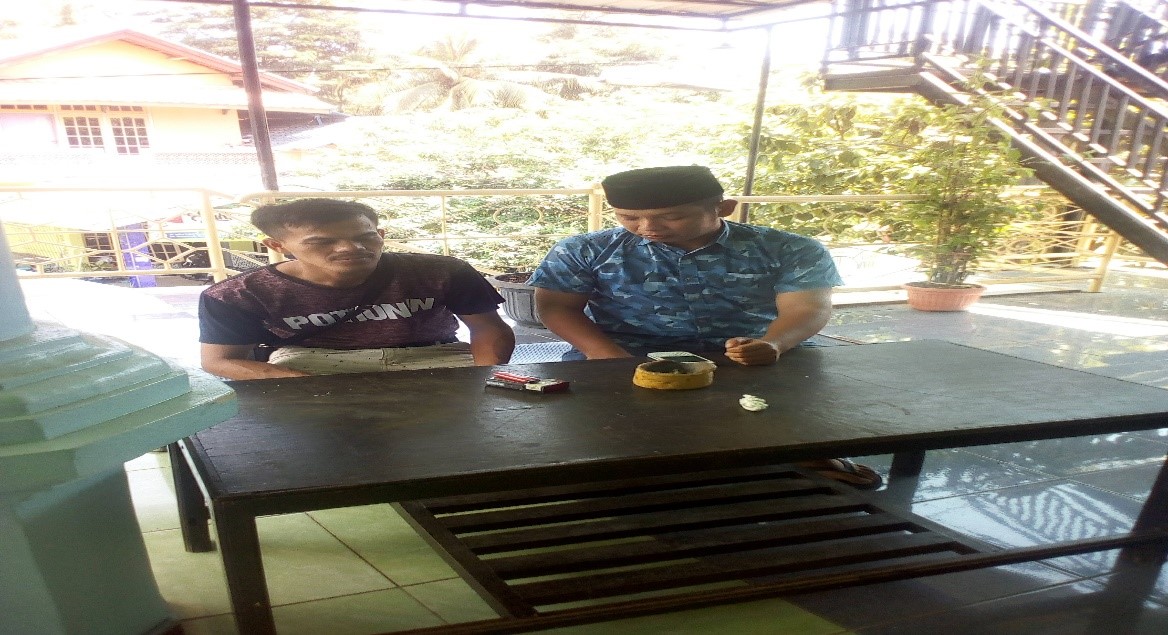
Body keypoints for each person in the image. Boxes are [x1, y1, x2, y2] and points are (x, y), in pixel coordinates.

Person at [528, 165, 880, 489]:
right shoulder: (585, 249)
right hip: (624, 352)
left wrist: (775, 344)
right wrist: (604, 354)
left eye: (672, 217)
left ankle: (800, 452)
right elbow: (556, 307)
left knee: (787, 408)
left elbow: (807, 307)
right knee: (603, 427)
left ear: (723, 208)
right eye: (629, 217)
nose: (647, 228)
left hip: (752, 351)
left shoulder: (789, 248)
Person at [199, 198, 515, 380]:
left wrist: (485, 378)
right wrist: (298, 383)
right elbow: (219, 361)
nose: (350, 248)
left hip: (436, 355)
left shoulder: (443, 270)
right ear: (278, 246)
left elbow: (488, 329)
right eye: (322, 242)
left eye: (365, 237)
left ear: (381, 234)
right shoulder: (238, 294)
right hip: (310, 361)